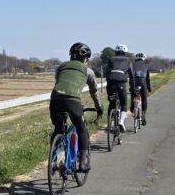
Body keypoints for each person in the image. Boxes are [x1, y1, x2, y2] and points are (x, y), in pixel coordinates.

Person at [49, 42, 102, 171]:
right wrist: (99, 107)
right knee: (81, 129)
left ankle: (53, 161)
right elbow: (94, 91)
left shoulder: (61, 67)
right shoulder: (88, 71)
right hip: (72, 101)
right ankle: (83, 163)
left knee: (58, 129)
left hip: (55, 100)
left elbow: (60, 82)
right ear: (85, 59)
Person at [103, 44, 135, 133]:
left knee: (111, 103)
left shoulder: (111, 59)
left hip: (111, 83)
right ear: (125, 52)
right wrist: (132, 89)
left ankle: (109, 124)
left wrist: (109, 81)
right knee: (124, 103)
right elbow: (132, 76)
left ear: (116, 52)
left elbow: (107, 72)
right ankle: (121, 121)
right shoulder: (128, 60)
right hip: (121, 83)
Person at [132, 52, 152, 125]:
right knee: (144, 99)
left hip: (134, 82)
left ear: (136, 58)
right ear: (143, 58)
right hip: (143, 83)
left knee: (133, 96)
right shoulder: (146, 66)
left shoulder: (132, 65)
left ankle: (132, 107)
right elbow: (148, 79)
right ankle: (143, 114)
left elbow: (131, 76)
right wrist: (149, 89)